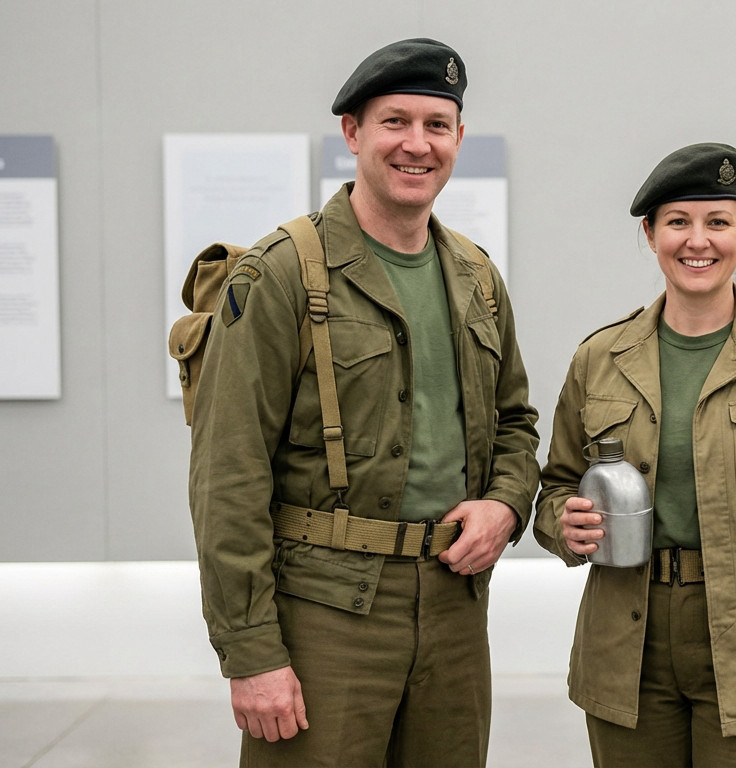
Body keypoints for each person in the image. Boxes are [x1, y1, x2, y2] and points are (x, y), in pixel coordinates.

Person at [187, 38, 539, 766]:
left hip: (453, 608)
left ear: (459, 138)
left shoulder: (476, 276)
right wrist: (251, 652)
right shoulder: (282, 274)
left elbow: (515, 424)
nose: (418, 144)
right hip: (327, 612)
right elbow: (229, 472)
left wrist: (506, 505)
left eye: (437, 126)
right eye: (395, 122)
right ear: (352, 133)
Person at [534, 143, 736, 766]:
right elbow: (556, 485)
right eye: (678, 222)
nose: (699, 241)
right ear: (650, 233)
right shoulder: (600, 358)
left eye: (718, 222)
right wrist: (564, 523)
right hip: (627, 650)